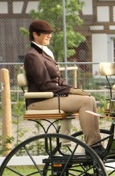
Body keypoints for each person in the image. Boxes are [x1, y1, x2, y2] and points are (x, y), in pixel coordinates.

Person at [23, 20, 103, 152]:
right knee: (85, 102)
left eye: (50, 33)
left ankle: (95, 143)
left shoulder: (45, 53)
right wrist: (70, 90)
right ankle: (93, 146)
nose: (49, 36)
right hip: (39, 100)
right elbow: (44, 85)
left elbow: (57, 80)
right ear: (35, 34)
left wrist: (74, 90)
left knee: (91, 98)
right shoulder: (33, 56)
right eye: (45, 33)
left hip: (50, 96)